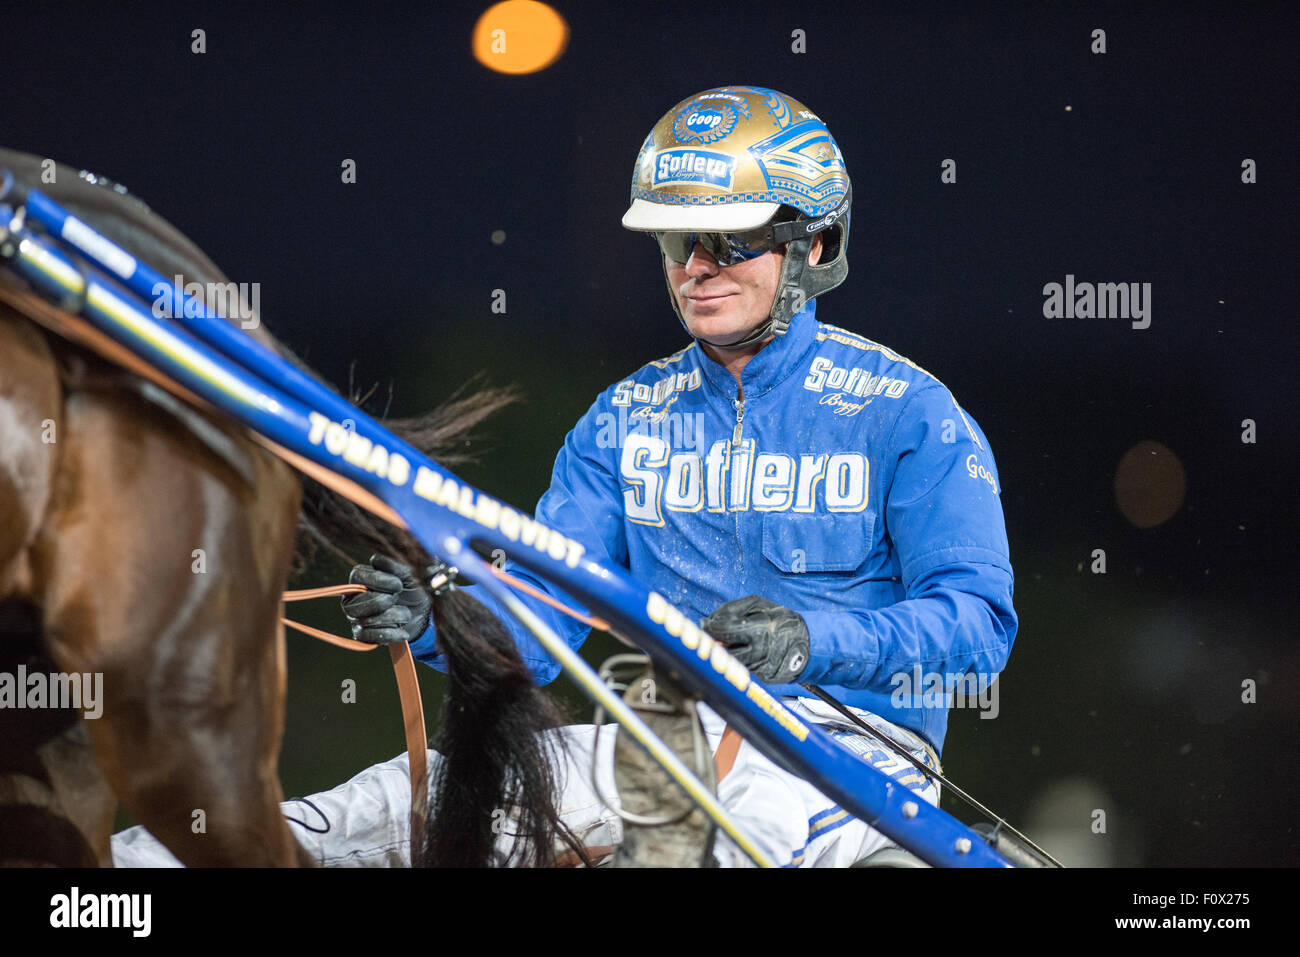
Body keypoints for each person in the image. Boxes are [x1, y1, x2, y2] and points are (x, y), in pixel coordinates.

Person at [112, 85, 1015, 868]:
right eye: (675, 242)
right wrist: (443, 621)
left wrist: (812, 640)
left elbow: (980, 626)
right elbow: (543, 620)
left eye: (729, 241)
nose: (695, 268)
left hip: (848, 759)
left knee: (687, 842)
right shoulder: (622, 419)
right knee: (337, 822)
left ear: (813, 246)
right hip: (649, 743)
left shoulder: (910, 412)